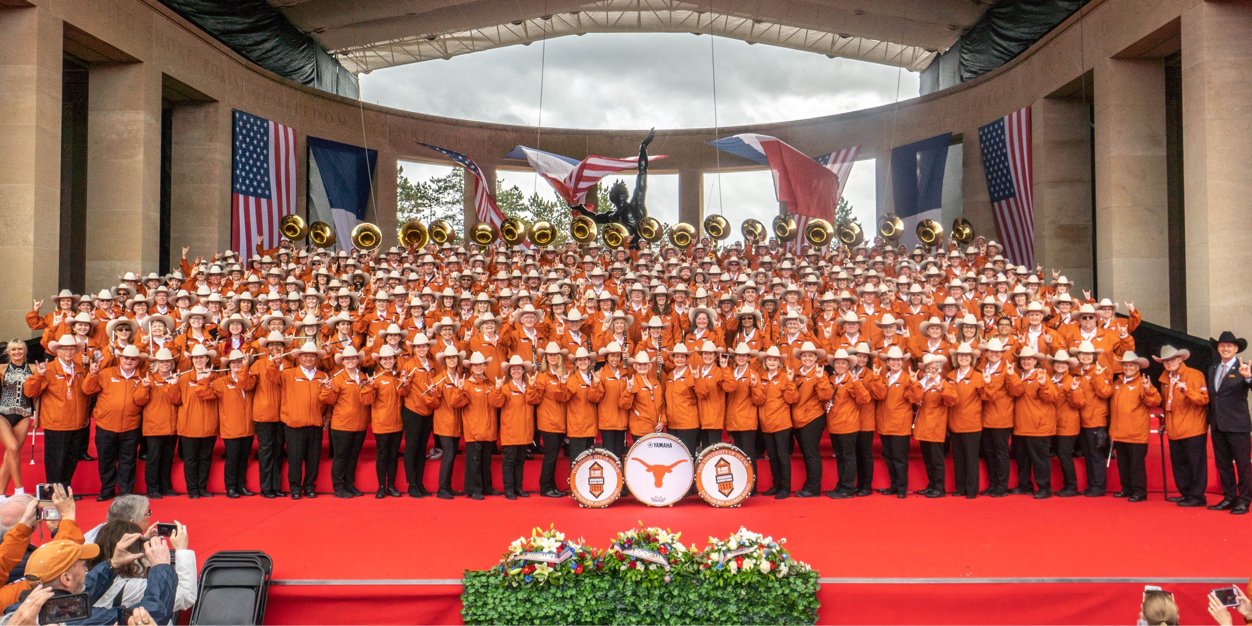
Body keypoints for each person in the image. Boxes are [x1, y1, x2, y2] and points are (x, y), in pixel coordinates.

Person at [14, 531, 175, 625]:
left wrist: (112, 565)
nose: (87, 568)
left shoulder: (23, 610)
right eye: (82, 563)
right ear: (66, 579)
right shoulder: (79, 620)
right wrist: (161, 566)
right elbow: (152, 613)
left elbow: (79, 597)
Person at [89, 520, 198, 618]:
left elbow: (129, 565)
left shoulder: (89, 578)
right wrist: (182, 549)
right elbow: (185, 596)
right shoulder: (134, 587)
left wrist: (141, 549)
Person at [24, 334, 92, 486]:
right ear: (57, 351)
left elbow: (86, 394)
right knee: (56, 461)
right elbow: (29, 392)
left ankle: (66, 488)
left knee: (71, 459)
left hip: (77, 422)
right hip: (56, 423)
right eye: (64, 349)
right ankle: (55, 491)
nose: (68, 352)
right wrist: (39, 376)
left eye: (71, 349)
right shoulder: (48, 369)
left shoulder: (80, 369)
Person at [1153, 345, 1210, 507]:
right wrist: (1165, 423)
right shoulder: (1164, 379)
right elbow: (1167, 405)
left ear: (1180, 359)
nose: (1168, 364)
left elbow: (1204, 399)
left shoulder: (1194, 375)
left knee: (1196, 464)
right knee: (1180, 464)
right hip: (1174, 428)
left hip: (1193, 428)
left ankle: (1197, 497)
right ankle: (1186, 494)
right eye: (1165, 361)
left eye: (1171, 360)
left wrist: (1187, 391)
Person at [272, 342, 329, 500]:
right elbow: (272, 378)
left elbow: (328, 400)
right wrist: (274, 364)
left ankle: (310, 486)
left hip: (315, 424)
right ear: (299, 358)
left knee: (313, 458)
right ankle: (295, 487)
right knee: (295, 458)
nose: (309, 358)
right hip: (294, 424)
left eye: (312, 355)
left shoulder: (323, 376)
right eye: (305, 355)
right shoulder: (288, 374)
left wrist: (328, 390)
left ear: (316, 358)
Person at [1206, 331, 1252, 515]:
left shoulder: (1244, 367)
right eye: (1222, 345)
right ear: (1218, 348)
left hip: (1238, 426)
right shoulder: (1212, 369)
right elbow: (1213, 397)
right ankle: (1229, 497)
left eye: (1229, 346)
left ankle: (1245, 500)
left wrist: (1248, 377)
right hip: (1217, 425)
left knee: (1242, 465)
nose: (1225, 348)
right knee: (1223, 464)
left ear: (1236, 349)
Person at [1109, 352, 1161, 502]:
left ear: (1138, 367)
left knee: (1136, 464)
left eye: (1131, 365)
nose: (1128, 367)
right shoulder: (1117, 383)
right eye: (1125, 365)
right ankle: (1126, 489)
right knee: (1123, 463)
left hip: (1136, 432)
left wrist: (1148, 388)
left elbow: (1156, 401)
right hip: (1119, 430)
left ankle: (1139, 491)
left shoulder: (1143, 382)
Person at [0, 340, 34, 498]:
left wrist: (38, 416)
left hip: (24, 414)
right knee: (12, 448)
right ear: (8, 352)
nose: (17, 352)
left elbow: (39, 393)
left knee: (10, 455)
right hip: (3, 414)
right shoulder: (2, 369)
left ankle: (0, 495)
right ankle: (19, 490)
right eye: (13, 349)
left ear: (25, 351)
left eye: (20, 349)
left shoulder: (33, 368)